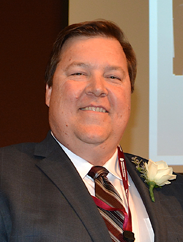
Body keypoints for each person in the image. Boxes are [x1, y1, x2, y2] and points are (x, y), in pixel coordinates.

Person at [0, 20, 183, 242]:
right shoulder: (7, 176)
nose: (97, 88)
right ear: (49, 91)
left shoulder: (176, 193)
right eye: (79, 73)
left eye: (113, 77)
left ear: (129, 97)